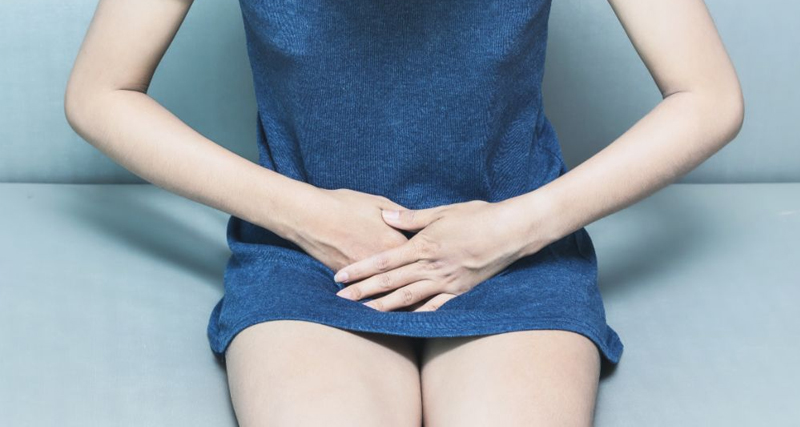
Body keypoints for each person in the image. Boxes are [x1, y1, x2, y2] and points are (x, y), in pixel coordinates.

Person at [64, 0, 744, 425]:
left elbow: (708, 96)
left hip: (515, 253)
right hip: (306, 257)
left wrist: (514, 229)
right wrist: (306, 217)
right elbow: (100, 91)